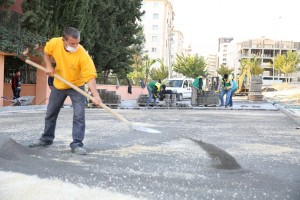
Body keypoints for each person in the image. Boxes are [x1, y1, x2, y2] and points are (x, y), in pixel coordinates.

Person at [29, 27, 101, 155]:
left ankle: (77, 144)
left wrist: (96, 96)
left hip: (77, 86)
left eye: (78, 42)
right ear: (64, 40)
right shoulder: (55, 43)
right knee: (51, 113)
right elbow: (46, 52)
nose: (76, 46)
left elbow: (90, 76)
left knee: (79, 116)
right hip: (59, 85)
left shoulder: (82, 54)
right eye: (72, 43)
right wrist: (49, 65)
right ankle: (46, 139)